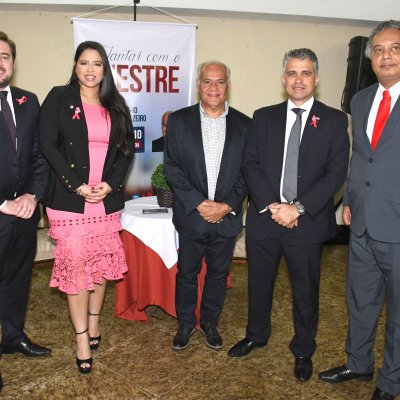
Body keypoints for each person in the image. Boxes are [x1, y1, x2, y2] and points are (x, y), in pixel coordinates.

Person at [228, 48, 350, 382]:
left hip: (307, 223)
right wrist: (274, 206)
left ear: (316, 79)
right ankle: (256, 335)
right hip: (265, 219)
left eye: (305, 73)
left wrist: (297, 208)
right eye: (292, 73)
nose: (299, 80)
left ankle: (303, 349)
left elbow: (335, 173)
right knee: (258, 284)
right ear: (283, 79)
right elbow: (250, 165)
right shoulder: (263, 117)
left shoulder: (334, 121)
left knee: (305, 291)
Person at [38, 41, 134, 374]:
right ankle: (81, 337)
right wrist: (76, 186)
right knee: (78, 270)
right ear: (75, 66)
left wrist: (111, 184)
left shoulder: (116, 103)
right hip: (70, 201)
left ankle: (94, 322)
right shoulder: (59, 97)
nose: (90, 70)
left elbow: (127, 149)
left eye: (97, 64)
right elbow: (47, 144)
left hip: (105, 200)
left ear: (105, 69)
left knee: (100, 264)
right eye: (84, 63)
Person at [319, 20, 400, 400]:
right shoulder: (362, 99)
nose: (386, 56)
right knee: (361, 300)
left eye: (395, 48)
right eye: (378, 50)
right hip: (363, 222)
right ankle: (359, 362)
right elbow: (360, 156)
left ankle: (391, 381)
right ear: (370, 58)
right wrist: (349, 199)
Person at [164, 61, 251, 351]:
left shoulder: (245, 125)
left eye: (220, 81)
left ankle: (210, 322)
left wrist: (226, 206)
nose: (214, 87)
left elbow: (248, 172)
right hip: (193, 216)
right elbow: (173, 168)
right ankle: (186, 323)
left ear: (228, 85)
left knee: (218, 274)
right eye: (207, 81)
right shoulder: (179, 121)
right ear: (198, 85)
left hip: (226, 218)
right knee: (187, 273)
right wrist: (199, 204)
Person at [0, 31, 50, 392]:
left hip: (25, 213)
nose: (0, 63)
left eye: (4, 56)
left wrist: (33, 196)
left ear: (13, 63)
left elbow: (39, 155)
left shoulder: (28, 100)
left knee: (18, 278)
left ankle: (13, 336)